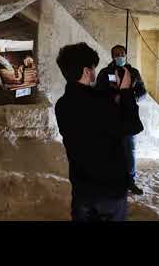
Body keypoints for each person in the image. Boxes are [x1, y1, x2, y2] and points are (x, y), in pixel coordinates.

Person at [55, 42, 144, 221]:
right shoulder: (101, 104)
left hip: (82, 190)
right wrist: (126, 92)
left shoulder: (61, 105)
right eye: (93, 69)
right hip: (109, 190)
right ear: (87, 72)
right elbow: (134, 126)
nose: (95, 73)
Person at [96, 45, 147, 195]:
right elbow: (98, 92)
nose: (120, 56)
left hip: (128, 118)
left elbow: (143, 92)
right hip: (110, 118)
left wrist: (131, 97)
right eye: (116, 54)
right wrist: (113, 97)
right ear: (112, 56)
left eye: (122, 54)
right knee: (110, 150)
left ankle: (130, 182)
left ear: (126, 55)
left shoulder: (134, 73)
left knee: (129, 150)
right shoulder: (105, 73)